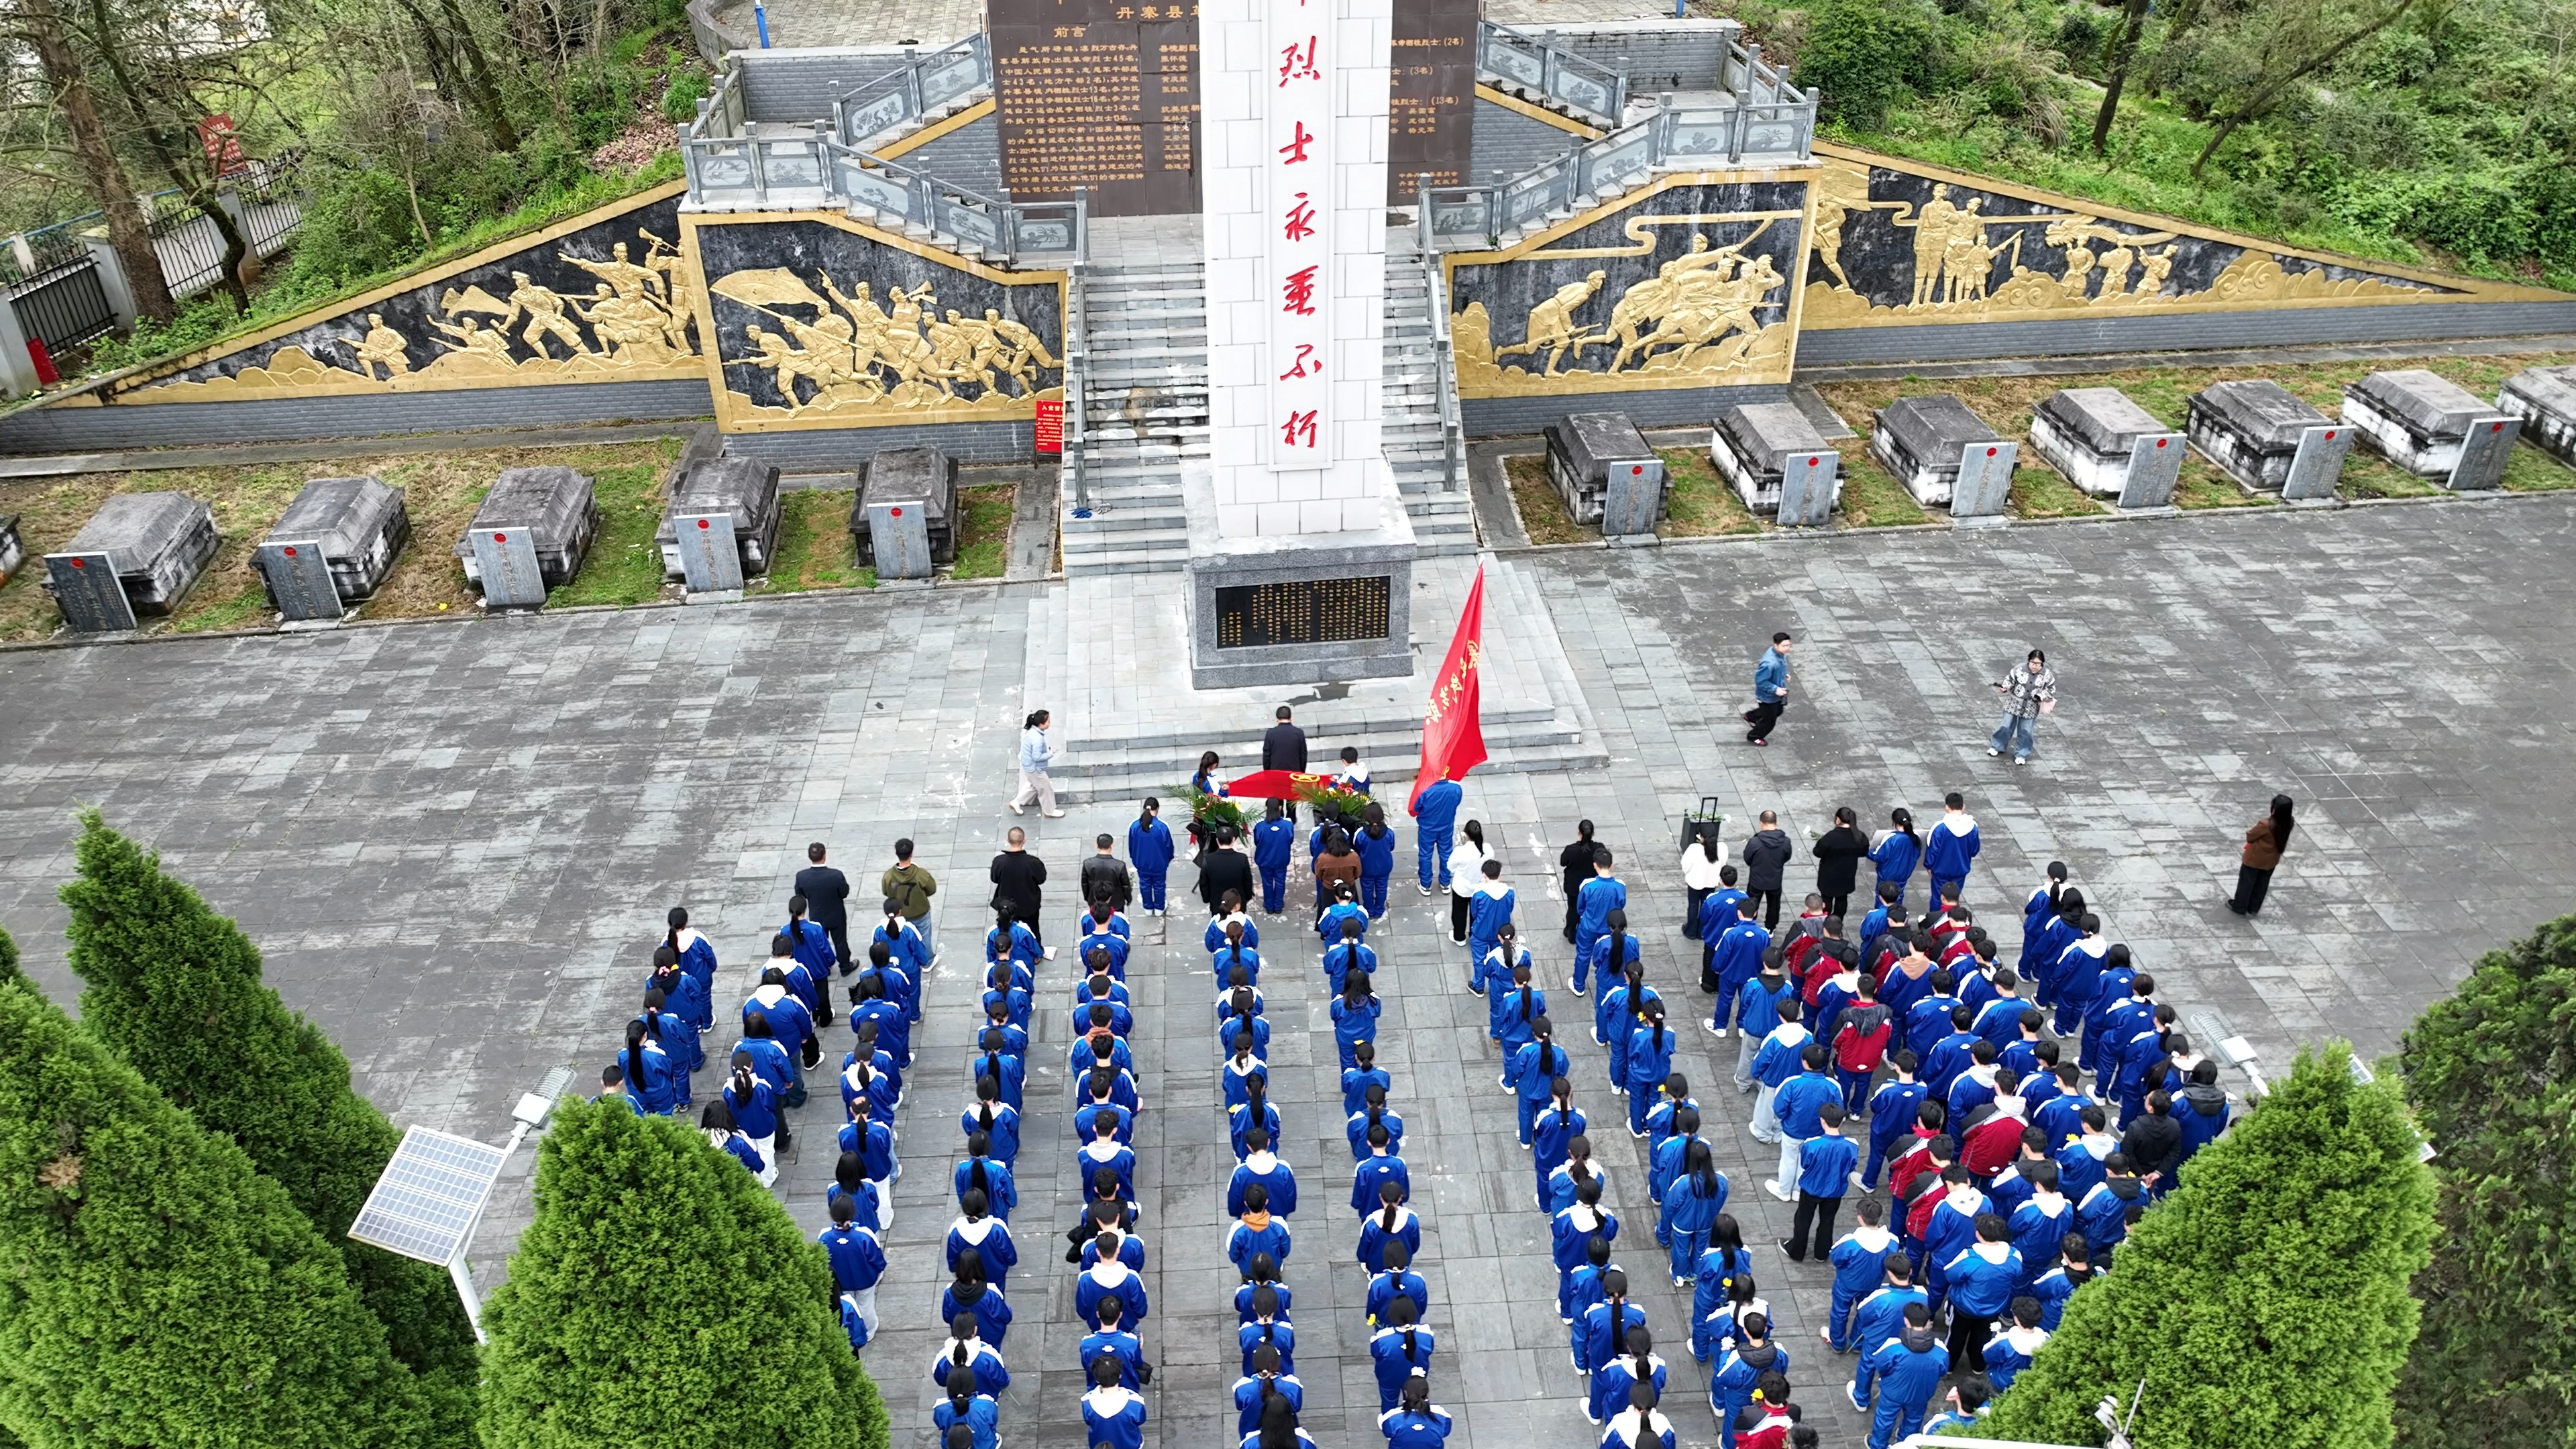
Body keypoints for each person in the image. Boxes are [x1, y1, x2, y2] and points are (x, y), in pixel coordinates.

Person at [1862, 1303, 1949, 1449]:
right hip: (1922, 1393)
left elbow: (1880, 1364)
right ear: (1928, 1321)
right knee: (1914, 1420)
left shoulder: (1893, 1345)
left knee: (1885, 1418)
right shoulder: (1941, 1349)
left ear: (1906, 1321)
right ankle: (1906, 1444)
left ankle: (1877, 1445)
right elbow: (1943, 1371)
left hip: (1893, 1391)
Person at [1786, 1102, 1858, 1262]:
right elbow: (1852, 1166)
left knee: (1803, 1220)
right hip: (1835, 1190)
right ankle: (1822, 1253)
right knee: (1828, 1221)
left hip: (1811, 1188)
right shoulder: (1851, 1145)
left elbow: (1805, 1163)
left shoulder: (1811, 1143)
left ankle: (1797, 1251)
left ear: (1822, 1121)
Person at [2230, 793, 2296, 916]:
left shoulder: (2265, 825)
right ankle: (2253, 908)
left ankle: (2240, 907)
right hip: (2271, 860)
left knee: (2246, 883)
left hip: (2255, 859)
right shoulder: (2289, 822)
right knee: (2262, 884)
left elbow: (2251, 836)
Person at [1988, 648, 2057, 765]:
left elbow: (2051, 689)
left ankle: (2021, 754)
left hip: (2031, 707)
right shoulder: (2019, 669)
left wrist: (2041, 696)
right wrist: (2005, 687)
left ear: (2042, 663)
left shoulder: (2047, 675)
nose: (2035, 666)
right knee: (2005, 726)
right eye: (2033, 663)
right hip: (2014, 703)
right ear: (2029, 661)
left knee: (2026, 731)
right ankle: (1997, 746)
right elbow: (2010, 680)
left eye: (2038, 664)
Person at [1367, 1295, 1437, 1411]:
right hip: (1416, 1378)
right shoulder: (1426, 1334)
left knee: (1389, 1403)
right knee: (1416, 1401)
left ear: (1392, 1315)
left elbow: (1375, 1353)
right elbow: (1429, 1350)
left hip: (1389, 1377)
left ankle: (1390, 1420)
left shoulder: (1382, 1338)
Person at [988, 826, 1050, 955]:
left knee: (1006, 927)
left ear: (1008, 840)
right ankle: (1036, 954)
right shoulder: (1033, 862)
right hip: (1029, 904)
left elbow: (994, 878)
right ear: (1024, 841)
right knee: (1032, 930)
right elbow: (1041, 879)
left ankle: (1007, 950)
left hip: (1006, 904)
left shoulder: (999, 862)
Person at [1572, 847, 1625, 997]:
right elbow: (1621, 905)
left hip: (1588, 927)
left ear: (1595, 865)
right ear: (1612, 864)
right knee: (1609, 954)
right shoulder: (1620, 886)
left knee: (1583, 955)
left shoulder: (1587, 884)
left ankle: (1579, 986)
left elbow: (1580, 907)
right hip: (1609, 928)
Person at [796, 843, 855, 972]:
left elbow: (800, 895)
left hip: (817, 915)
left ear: (809, 856)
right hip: (836, 915)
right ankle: (845, 966)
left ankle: (824, 967)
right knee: (840, 941)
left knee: (819, 942)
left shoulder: (802, 876)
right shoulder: (836, 875)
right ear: (824, 856)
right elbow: (844, 893)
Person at [881, 838, 939, 955]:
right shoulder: (921, 874)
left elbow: (886, 892)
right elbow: (932, 889)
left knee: (904, 938)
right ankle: (928, 959)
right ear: (911, 854)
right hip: (920, 912)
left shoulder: (889, 876)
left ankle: (908, 957)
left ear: (897, 854)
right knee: (924, 938)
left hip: (899, 914)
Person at [1737, 812, 1792, 930]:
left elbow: (1748, 858)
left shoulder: (1755, 842)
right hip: (1775, 879)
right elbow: (1787, 857)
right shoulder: (1786, 842)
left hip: (1757, 880)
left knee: (1751, 904)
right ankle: (1770, 928)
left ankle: (1749, 924)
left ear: (1761, 823)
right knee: (1774, 905)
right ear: (1776, 823)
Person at [1811, 808, 1869, 919]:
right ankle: (1837, 922)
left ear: (1838, 820)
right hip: (1847, 875)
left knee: (1826, 901)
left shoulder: (1831, 838)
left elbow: (1817, 852)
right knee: (1842, 899)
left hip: (1829, 876)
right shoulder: (1860, 837)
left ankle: (1825, 921)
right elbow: (1863, 852)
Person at [1923, 793, 1980, 907]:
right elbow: (1975, 850)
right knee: (1954, 899)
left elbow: (1933, 851)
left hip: (1940, 871)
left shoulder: (1940, 828)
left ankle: (1937, 918)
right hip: (1960, 870)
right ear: (1963, 807)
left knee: (1938, 899)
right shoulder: (1972, 827)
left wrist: (1929, 866)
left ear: (1947, 807)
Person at [1235, 1344, 1304, 1437]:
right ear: (1277, 1362)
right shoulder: (1293, 1386)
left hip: (1251, 1433)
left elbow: (1239, 1406)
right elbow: (1297, 1407)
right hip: (1287, 1434)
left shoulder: (1243, 1387)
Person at [1081, 1355, 1150, 1449]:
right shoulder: (1135, 1402)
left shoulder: (1087, 1402)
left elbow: (1088, 1421)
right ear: (1120, 1375)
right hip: (1129, 1445)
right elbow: (1141, 1420)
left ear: (1097, 1379)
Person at [1410, 773, 1462, 896]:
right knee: (1446, 853)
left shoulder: (1424, 789)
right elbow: (1456, 802)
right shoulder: (1456, 787)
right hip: (1446, 827)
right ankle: (1445, 883)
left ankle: (1425, 885)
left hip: (1427, 829)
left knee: (1425, 855)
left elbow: (1415, 810)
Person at [1457, 827, 1505, 959]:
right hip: (1498, 929)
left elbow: (1474, 911)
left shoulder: (1479, 894)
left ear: (1484, 874)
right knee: (1496, 955)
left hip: (1481, 932)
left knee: (1480, 957)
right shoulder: (1509, 892)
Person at [1008, 708, 1063, 816]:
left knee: (1033, 785)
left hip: (1029, 766)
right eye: (1048, 722)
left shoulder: (1031, 731)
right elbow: (1037, 757)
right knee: (1046, 789)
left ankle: (1016, 802)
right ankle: (1050, 811)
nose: (1050, 723)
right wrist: (1050, 753)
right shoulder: (1037, 739)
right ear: (1041, 724)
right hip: (1035, 769)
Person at [1379, 1375, 1453, 1449]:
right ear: (1427, 1392)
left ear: (1406, 1393)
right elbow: (1445, 1433)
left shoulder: (1392, 1417)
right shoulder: (1442, 1415)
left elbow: (1387, 1433)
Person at [1743, 632, 1792, 746]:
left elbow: (1781, 666)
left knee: (1778, 711)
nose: (1787, 648)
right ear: (1776, 645)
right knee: (1769, 721)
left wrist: (1785, 673)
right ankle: (1754, 736)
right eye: (1784, 646)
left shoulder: (1780, 654)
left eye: (1788, 645)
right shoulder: (1769, 663)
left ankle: (1751, 716)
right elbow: (1761, 681)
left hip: (1776, 694)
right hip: (1768, 696)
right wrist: (1775, 689)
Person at [1197, 826, 1257, 918]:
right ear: (1233, 840)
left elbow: (1204, 884)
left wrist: (1207, 899)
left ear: (1217, 840)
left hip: (1218, 904)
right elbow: (1248, 882)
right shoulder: (1242, 859)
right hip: (1237, 904)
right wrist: (1247, 897)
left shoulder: (1208, 860)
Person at [1263, 704, 1309, 823]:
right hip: (1294, 772)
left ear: (1277, 719)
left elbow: (1267, 754)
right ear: (1291, 718)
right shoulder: (1299, 733)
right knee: (1292, 799)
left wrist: (1267, 772)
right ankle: (1291, 819)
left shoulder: (1271, 733)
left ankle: (1279, 818)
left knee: (1278, 798)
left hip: (1276, 772)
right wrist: (1301, 773)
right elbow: (1303, 754)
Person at [1354, 803, 1399, 918]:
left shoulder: (1360, 833)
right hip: (1384, 867)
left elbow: (1357, 848)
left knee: (1367, 889)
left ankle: (1368, 910)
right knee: (1382, 888)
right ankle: (1379, 910)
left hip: (1366, 868)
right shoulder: (1389, 832)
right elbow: (1392, 847)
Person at [1559, 820, 1599, 943]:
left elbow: (1563, 862)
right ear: (1593, 833)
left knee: (1573, 909)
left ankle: (1571, 933)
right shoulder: (1598, 849)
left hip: (1574, 887)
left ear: (1579, 833)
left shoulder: (1571, 850)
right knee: (1588, 909)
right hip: (1591, 887)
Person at [1253, 800, 1296, 915]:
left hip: (1265, 860)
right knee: (1280, 882)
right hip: (1281, 859)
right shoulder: (1288, 825)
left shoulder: (1260, 826)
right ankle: (1278, 906)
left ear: (1266, 808)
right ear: (1280, 808)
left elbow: (1257, 841)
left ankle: (1269, 906)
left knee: (1267, 882)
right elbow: (1290, 840)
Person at [1083, 832, 1135, 914]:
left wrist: (1088, 898)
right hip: (1116, 901)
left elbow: (1085, 884)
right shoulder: (1119, 865)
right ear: (1111, 846)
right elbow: (1125, 886)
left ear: (1096, 845)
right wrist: (1128, 899)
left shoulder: (1088, 864)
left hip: (1096, 900)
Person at [1314, 830, 1362, 918]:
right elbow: (1358, 873)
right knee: (1352, 913)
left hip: (1329, 890)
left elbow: (1318, 875)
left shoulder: (1322, 858)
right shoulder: (1354, 856)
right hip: (1349, 887)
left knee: (1327, 914)